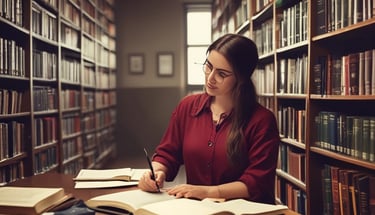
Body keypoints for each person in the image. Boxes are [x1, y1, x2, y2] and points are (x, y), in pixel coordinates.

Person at [138, 33, 280, 204]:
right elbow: (168, 154)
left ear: (240, 78)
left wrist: (208, 192)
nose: (210, 78)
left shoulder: (262, 120)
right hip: (198, 209)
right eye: (208, 66)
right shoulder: (187, 107)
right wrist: (156, 171)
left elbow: (257, 182)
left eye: (221, 74)